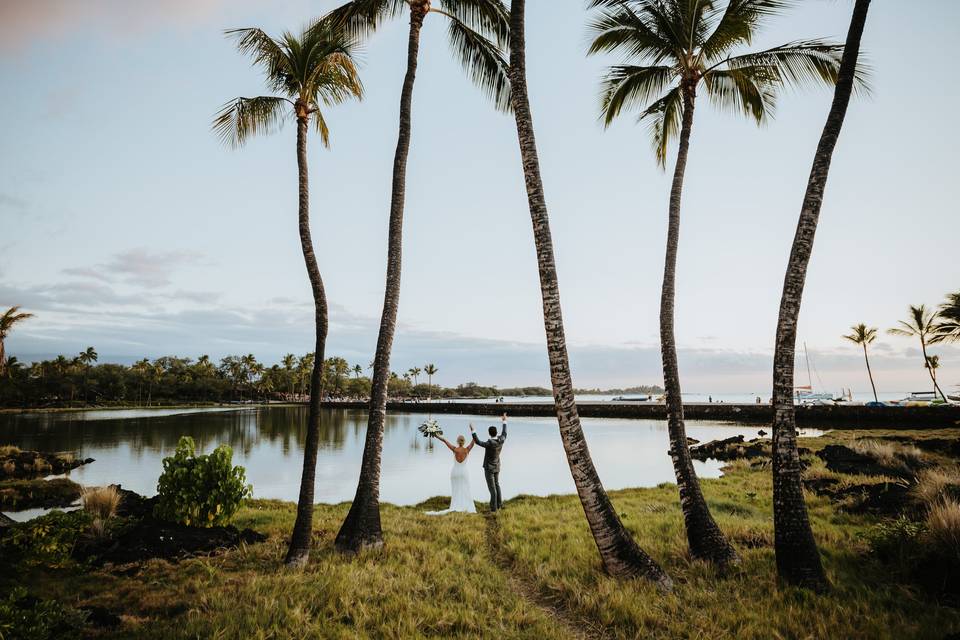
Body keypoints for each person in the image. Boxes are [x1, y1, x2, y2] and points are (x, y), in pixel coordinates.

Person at [426, 432, 476, 515]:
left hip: (455, 472)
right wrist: (473, 430)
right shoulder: (467, 450)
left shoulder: (454, 449)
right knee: (465, 488)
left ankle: (456, 505)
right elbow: (474, 440)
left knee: (456, 489)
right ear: (464, 442)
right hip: (464, 472)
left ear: (457, 441)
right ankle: (465, 505)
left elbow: (445, 441)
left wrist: (436, 436)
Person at [471, 413, 507, 512]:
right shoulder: (501, 440)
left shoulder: (489, 443)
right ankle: (499, 505)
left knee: (492, 489)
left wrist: (473, 430)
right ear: (496, 433)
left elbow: (478, 442)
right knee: (497, 484)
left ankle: (493, 508)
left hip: (489, 468)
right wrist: (504, 421)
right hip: (497, 466)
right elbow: (504, 433)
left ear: (489, 433)